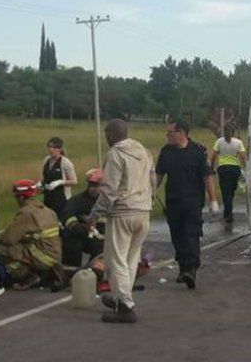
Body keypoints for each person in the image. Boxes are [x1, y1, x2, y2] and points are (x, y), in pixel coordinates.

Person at [89, 120, 155, 324]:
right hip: (143, 211)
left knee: (116, 260)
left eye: (106, 134)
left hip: (122, 213)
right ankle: (121, 297)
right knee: (131, 259)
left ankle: (125, 305)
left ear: (111, 134)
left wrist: (94, 214)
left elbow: (109, 190)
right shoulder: (143, 151)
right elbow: (152, 180)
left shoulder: (116, 154)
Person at [156, 119, 219, 289]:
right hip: (173, 201)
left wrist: (213, 199)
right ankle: (183, 268)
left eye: (170, 132)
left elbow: (207, 176)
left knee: (191, 234)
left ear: (181, 133)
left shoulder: (198, 151)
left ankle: (191, 269)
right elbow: (159, 175)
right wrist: (149, 193)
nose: (167, 136)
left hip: (192, 202)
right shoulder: (166, 152)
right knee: (177, 236)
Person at [0, 180, 65, 290]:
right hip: (55, 255)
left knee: (1, 248)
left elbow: (8, 239)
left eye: (16, 197)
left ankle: (27, 277)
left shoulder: (26, 213)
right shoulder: (49, 211)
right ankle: (43, 271)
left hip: (42, 256)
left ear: (21, 198)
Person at [61, 168, 105, 267]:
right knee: (70, 241)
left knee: (102, 254)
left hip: (102, 238)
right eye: (91, 184)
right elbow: (67, 215)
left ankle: (96, 270)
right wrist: (76, 227)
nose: (93, 188)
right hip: (82, 234)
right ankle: (71, 270)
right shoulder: (77, 200)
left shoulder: (108, 202)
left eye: (96, 185)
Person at [210, 126, 247, 224]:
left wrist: (211, 168)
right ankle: (228, 212)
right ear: (233, 132)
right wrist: (246, 168)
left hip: (223, 169)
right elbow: (243, 157)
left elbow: (213, 156)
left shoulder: (219, 141)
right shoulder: (239, 142)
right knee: (231, 190)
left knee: (225, 191)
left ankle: (228, 212)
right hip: (235, 169)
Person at [39, 137, 78, 217]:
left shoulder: (65, 162)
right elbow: (43, 176)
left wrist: (61, 182)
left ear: (60, 149)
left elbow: (74, 181)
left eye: (54, 148)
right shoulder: (46, 160)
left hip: (61, 199)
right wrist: (40, 184)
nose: (51, 150)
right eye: (50, 147)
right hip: (48, 197)